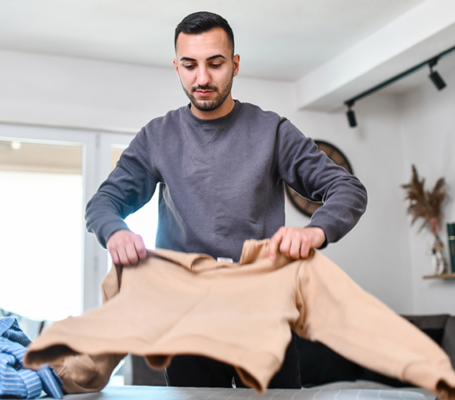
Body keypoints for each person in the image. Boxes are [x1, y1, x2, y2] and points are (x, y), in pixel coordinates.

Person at [85, 11, 367, 389]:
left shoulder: (273, 131)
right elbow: (103, 203)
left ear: (234, 64)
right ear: (177, 67)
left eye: (215, 64)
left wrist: (314, 232)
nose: (202, 78)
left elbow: (348, 189)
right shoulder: (157, 137)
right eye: (190, 65)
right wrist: (115, 232)